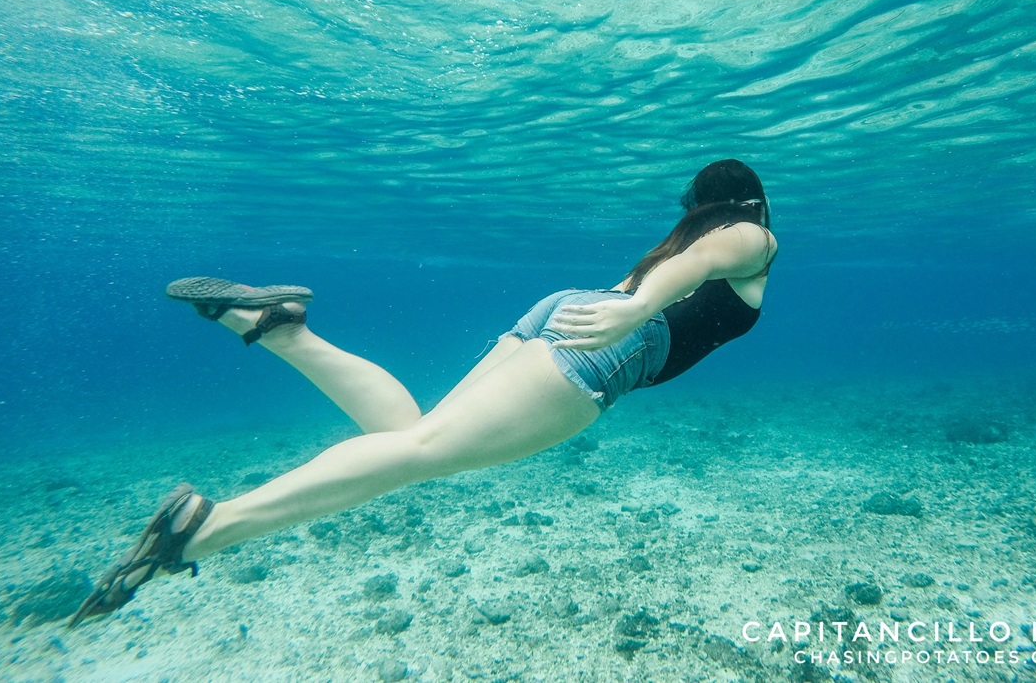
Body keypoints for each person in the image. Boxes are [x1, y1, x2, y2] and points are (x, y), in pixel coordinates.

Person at [70, 159, 778, 626]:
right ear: (749, 206)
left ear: (695, 204)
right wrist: (635, 310)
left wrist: (630, 302)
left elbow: (693, 256)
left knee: (414, 432)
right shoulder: (754, 238)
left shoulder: (681, 243)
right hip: (611, 343)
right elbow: (716, 254)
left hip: (568, 313)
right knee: (422, 451)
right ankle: (207, 526)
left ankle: (279, 329)